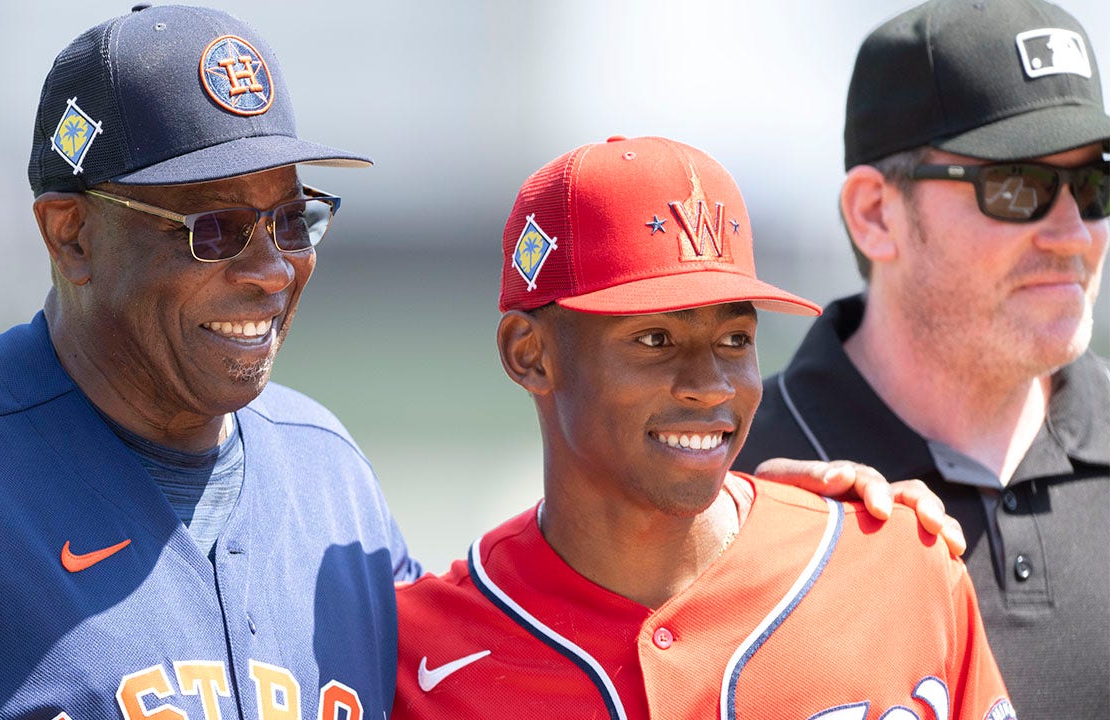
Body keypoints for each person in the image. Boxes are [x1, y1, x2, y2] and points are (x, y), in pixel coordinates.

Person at [0, 6, 421, 719]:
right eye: (217, 229)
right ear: (71, 235)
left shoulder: (332, 477)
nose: (273, 271)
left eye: (292, 221)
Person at [393, 135, 1015, 719]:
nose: (712, 383)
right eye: (655, 338)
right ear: (529, 354)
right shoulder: (414, 652)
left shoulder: (899, 564)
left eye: (735, 338)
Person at [735, 0, 1110, 716]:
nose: (1074, 233)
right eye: (1018, 187)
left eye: (1096, 186)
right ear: (876, 213)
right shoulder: (739, 486)